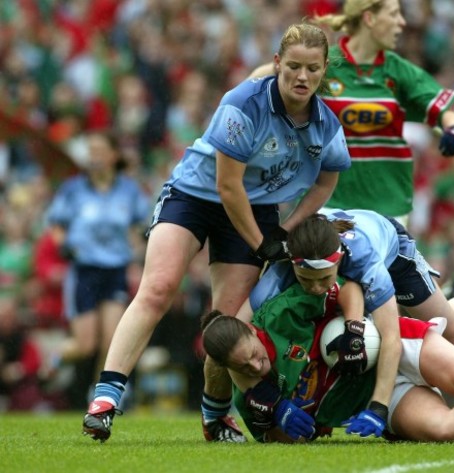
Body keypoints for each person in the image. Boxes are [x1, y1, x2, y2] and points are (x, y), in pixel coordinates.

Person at [81, 23, 351, 443]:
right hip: (195, 194)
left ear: (323, 70)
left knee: (226, 326)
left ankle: (216, 416)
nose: (302, 77)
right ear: (277, 64)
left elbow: (325, 182)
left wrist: (288, 229)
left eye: (312, 69)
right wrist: (264, 243)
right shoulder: (242, 103)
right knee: (158, 287)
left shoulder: (326, 125)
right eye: (293, 66)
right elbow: (227, 187)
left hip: (255, 208)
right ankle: (106, 397)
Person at [200, 278, 454, 444]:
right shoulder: (253, 401)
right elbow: (287, 443)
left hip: (388, 343)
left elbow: (348, 288)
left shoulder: (280, 314)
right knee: (445, 429)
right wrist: (283, 428)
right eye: (243, 368)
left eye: (253, 356)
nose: (255, 367)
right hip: (373, 400)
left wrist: (356, 332)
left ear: (253, 332)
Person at [236, 209, 454, 435]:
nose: (317, 288)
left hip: (393, 251)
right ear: (292, 264)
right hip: (342, 247)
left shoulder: (368, 264)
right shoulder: (276, 278)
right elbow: (231, 333)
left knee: (453, 334)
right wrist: (261, 395)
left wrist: (379, 407)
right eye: (306, 279)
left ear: (339, 260)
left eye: (324, 279)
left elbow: (390, 338)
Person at [250, 0, 454, 224]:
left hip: (386, 209)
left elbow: (445, 110)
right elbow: (261, 78)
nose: (401, 23)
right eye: (393, 15)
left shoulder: (399, 72)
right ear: (369, 18)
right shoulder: (324, 64)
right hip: (324, 205)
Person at [45, 130, 150, 407]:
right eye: (91, 152)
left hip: (115, 270)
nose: (95, 157)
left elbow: (143, 225)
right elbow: (56, 224)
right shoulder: (73, 189)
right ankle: (55, 357)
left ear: (114, 155)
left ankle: (99, 398)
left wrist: (138, 246)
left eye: (100, 151)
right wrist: (64, 245)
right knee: (85, 345)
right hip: (85, 271)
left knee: (110, 341)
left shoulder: (129, 190)